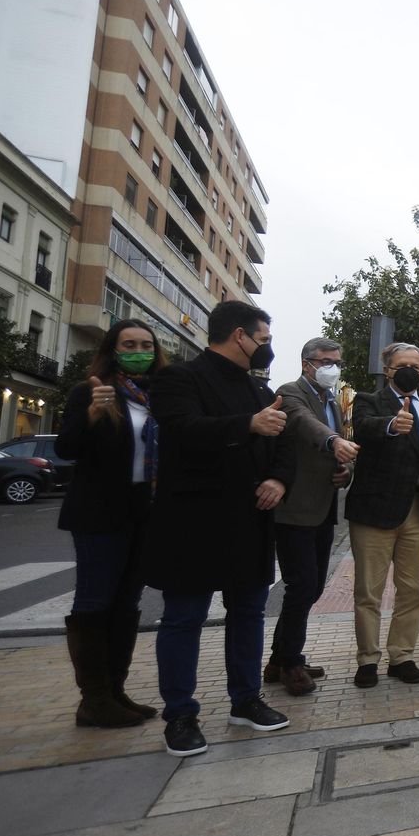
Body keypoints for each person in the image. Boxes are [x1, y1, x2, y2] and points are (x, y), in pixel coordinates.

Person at [144, 301, 296, 756]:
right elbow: (181, 431)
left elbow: (283, 442)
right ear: (239, 336)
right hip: (193, 519)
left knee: (249, 612)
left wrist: (279, 480)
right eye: (264, 340)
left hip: (249, 517)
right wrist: (247, 425)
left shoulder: (259, 390)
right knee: (183, 617)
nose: (267, 348)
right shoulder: (180, 379)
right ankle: (181, 715)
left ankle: (245, 700)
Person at [55, 318, 168, 727]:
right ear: (113, 349)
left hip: (145, 511)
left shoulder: (159, 394)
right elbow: (68, 449)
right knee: (94, 602)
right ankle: (94, 699)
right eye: (129, 344)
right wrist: (90, 414)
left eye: (147, 344)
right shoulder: (92, 390)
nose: (140, 350)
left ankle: (115, 691)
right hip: (99, 513)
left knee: (126, 603)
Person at [346, 342, 419, 687]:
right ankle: (368, 659)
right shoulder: (368, 401)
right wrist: (391, 425)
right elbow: (363, 427)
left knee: (412, 591)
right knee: (368, 592)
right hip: (375, 510)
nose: (409, 371)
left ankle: (401, 655)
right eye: (402, 365)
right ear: (387, 369)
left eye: (416, 367)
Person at [266, 337, 357, 696]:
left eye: (337, 361)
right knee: (301, 585)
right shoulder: (290, 392)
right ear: (307, 364)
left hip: (323, 508)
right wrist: (335, 441)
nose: (332, 368)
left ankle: (279, 659)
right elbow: (304, 424)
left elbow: (337, 452)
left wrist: (345, 471)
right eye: (325, 361)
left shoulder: (334, 400)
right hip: (293, 510)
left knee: (313, 586)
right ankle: (290, 664)